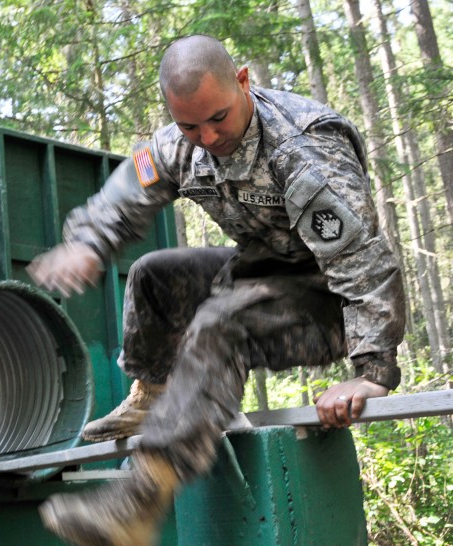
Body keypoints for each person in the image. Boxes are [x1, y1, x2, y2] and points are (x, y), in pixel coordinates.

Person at [28, 35, 405, 546]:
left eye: (218, 119)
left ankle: (138, 504)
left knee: (222, 320)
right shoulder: (180, 142)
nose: (206, 137)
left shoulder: (304, 149)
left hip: (329, 302)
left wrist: (373, 372)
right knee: (155, 273)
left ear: (244, 81)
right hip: (263, 271)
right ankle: (155, 393)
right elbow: (130, 186)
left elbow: (362, 259)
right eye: (189, 125)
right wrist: (90, 244)